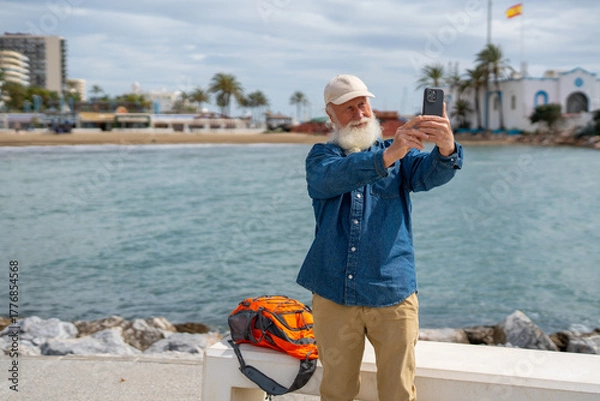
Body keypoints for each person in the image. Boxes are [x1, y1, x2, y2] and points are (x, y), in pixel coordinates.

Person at [296, 74, 463, 401]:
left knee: (398, 392)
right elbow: (330, 179)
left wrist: (446, 146)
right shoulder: (321, 157)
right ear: (331, 115)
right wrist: (387, 156)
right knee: (336, 392)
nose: (359, 113)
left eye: (362, 104)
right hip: (333, 294)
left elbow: (434, 173)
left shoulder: (400, 156)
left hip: (392, 293)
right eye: (348, 108)